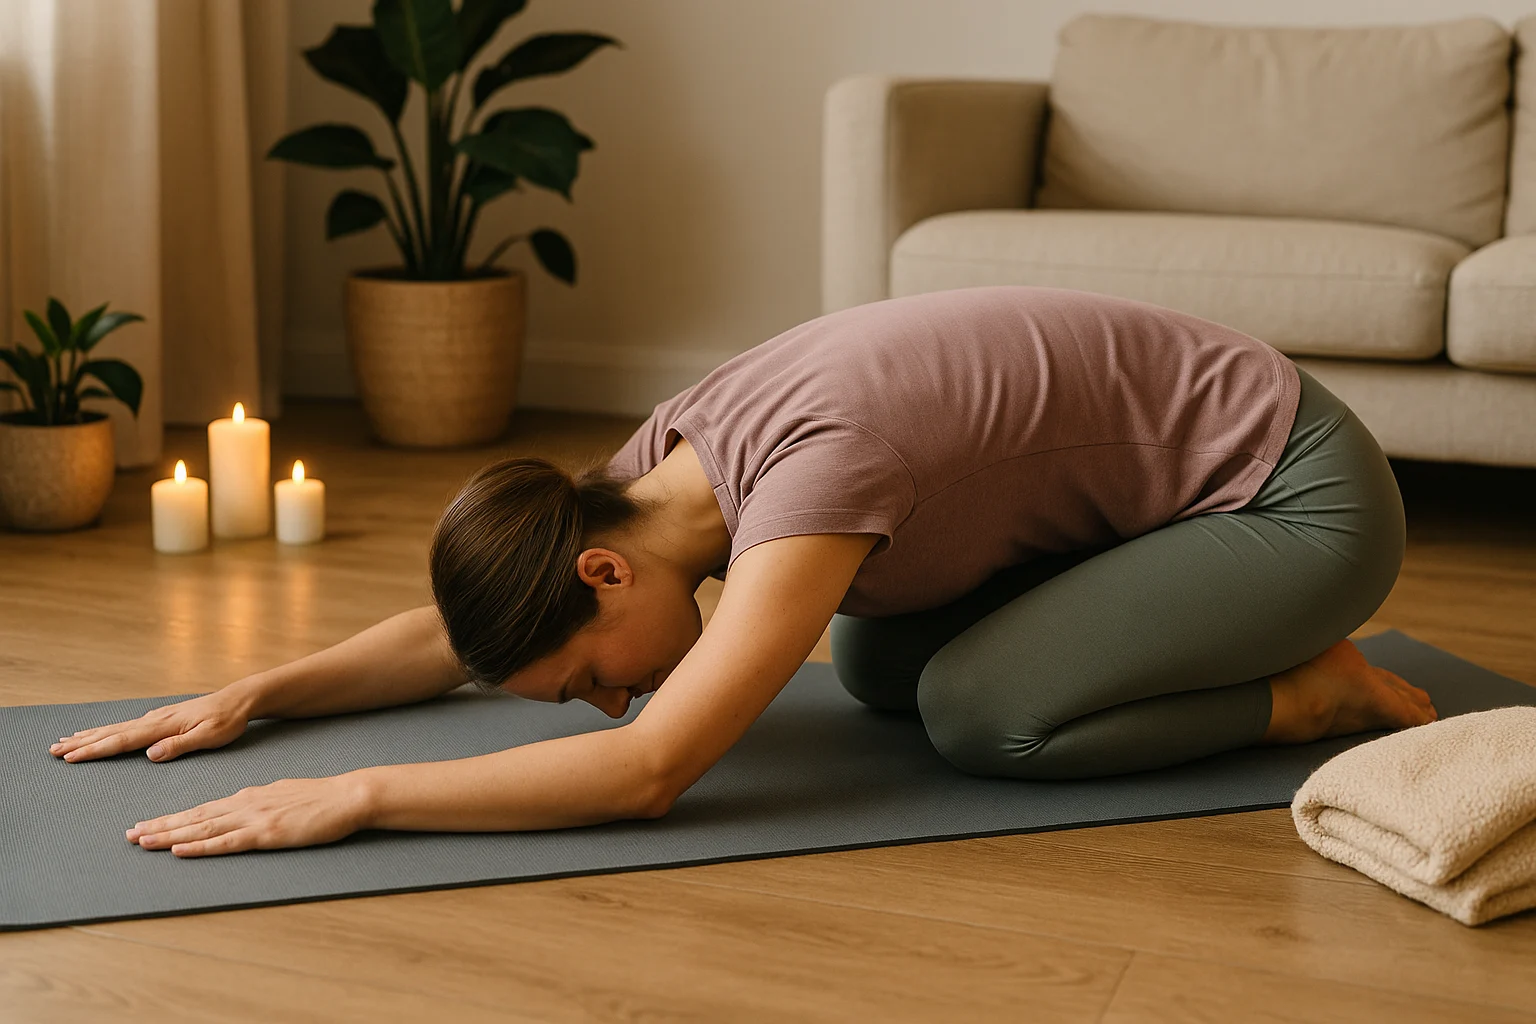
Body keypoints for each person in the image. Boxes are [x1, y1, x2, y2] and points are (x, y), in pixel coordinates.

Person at [49, 286, 1437, 858]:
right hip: (1153, 502)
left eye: (589, 677)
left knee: (980, 717)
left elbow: (651, 771)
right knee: (883, 663)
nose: (609, 700)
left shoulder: (810, 477)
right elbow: (469, 632)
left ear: (601, 573)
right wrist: (256, 694)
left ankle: (1312, 695)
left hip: (1295, 497)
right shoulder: (659, 472)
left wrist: (356, 794)